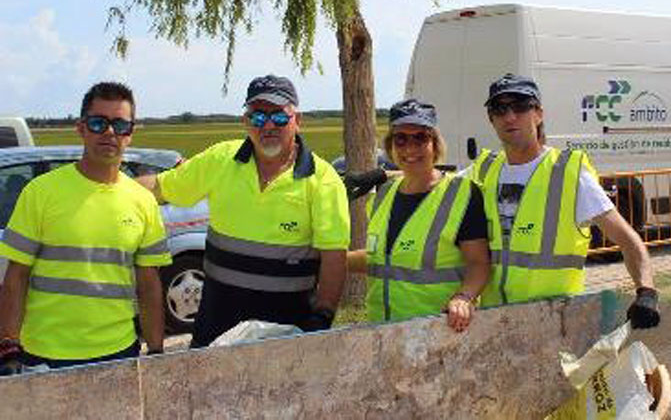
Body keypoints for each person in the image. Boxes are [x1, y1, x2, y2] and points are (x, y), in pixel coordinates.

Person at [137, 75, 349, 347]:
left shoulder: (323, 180)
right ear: (245, 122)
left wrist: (322, 316)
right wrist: (110, 189)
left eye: (279, 117)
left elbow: (334, 257)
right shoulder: (219, 159)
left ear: (298, 120)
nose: (268, 125)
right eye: (258, 117)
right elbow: (159, 187)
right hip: (216, 327)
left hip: (286, 331)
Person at [0, 82, 170, 373]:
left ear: (131, 133)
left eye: (119, 124)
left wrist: (155, 350)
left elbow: (149, 285)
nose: (109, 133)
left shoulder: (143, 201)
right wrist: (8, 347)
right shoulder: (40, 192)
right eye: (98, 122)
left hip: (118, 353)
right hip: (42, 356)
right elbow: (16, 277)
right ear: (81, 128)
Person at [471, 74, 660, 328]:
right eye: (500, 109)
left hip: (555, 322)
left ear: (538, 114)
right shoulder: (483, 170)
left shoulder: (568, 173)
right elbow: (431, 185)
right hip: (496, 321)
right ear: (491, 118)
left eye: (520, 106)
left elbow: (627, 239)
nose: (510, 116)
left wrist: (646, 292)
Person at [348, 99, 490, 332]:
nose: (410, 148)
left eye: (420, 138)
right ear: (390, 146)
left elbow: (479, 262)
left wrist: (464, 297)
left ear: (435, 144)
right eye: (401, 139)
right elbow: (384, 259)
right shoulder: (384, 194)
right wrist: (330, 260)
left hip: (437, 331)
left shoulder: (461, 195)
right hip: (382, 330)